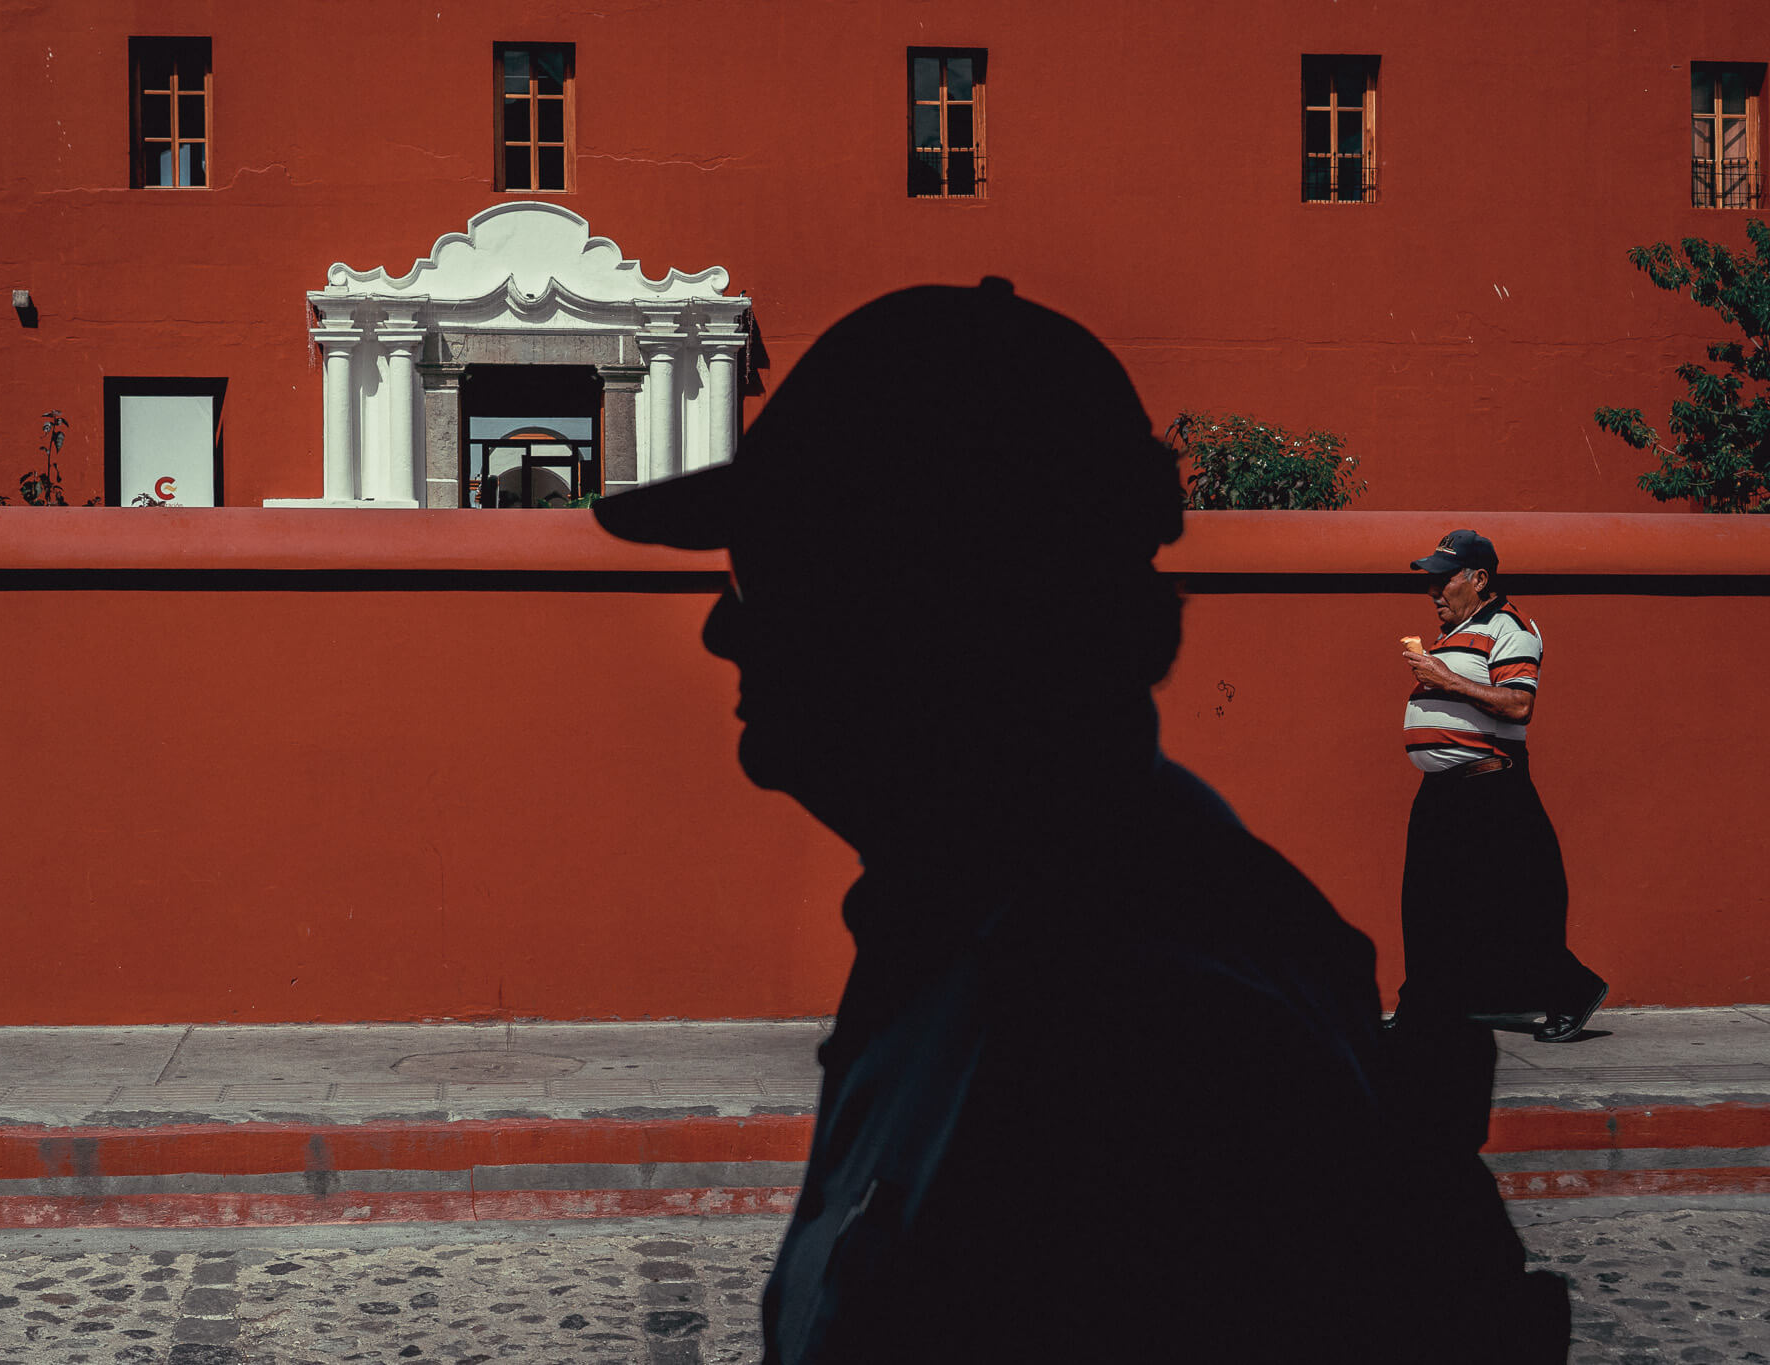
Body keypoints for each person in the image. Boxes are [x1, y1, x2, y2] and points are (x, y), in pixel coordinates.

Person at [595, 281, 1567, 1363]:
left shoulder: (1151, 1033)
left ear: (938, 598)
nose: (721, 632)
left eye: (766, 572)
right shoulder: (973, 924)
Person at [1396, 530, 1609, 1043]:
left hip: (1487, 788)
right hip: (1443, 791)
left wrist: (1443, 679)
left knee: (1508, 904)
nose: (1434, 592)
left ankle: (1572, 991)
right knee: (1425, 903)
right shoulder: (1454, 633)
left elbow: (1518, 704)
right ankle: (1423, 1010)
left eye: (1444, 580)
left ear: (1479, 579)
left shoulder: (1510, 627)